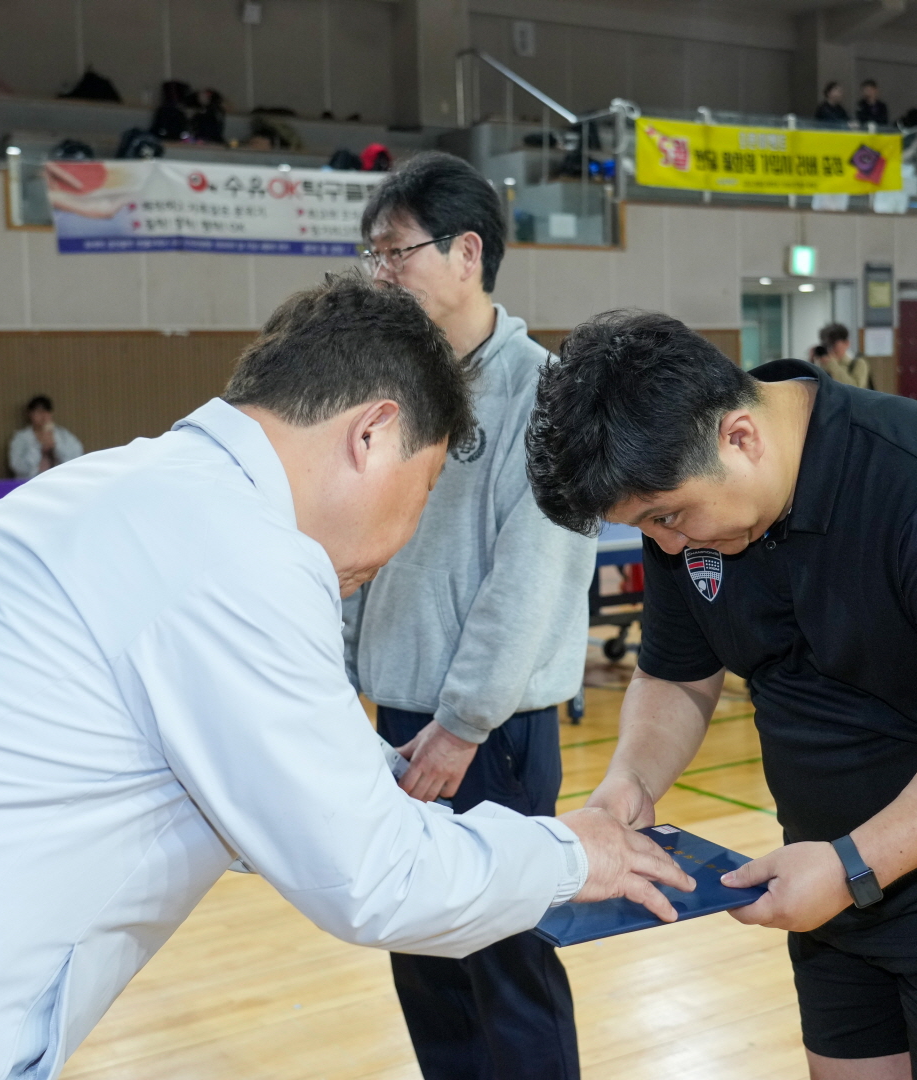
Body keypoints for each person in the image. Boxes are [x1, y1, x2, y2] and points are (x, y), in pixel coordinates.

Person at [0, 274, 691, 1075]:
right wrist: (574, 856)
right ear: (372, 434)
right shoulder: (237, 554)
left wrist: (381, 787)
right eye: (424, 489)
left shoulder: (137, 489)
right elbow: (373, 879)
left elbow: (237, 774)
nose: (407, 535)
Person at [525, 311, 917, 1080]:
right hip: (830, 884)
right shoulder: (691, 514)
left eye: (666, 517)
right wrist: (627, 784)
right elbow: (675, 675)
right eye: (643, 527)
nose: (665, 544)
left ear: (740, 437)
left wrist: (854, 864)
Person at [350, 151, 599, 1080]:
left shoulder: (547, 392)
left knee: (504, 965)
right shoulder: (391, 388)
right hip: (397, 719)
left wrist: (462, 723)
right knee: (423, 958)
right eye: (373, 256)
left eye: (396, 252)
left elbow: (531, 579)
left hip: (488, 733)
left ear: (466, 252)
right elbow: (354, 550)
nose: (381, 274)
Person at [9, 394, 84, 479]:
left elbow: (76, 459)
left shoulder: (63, 435)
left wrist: (56, 446)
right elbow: (17, 467)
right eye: (39, 412)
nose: (43, 416)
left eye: (46, 411)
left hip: (61, 480)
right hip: (31, 481)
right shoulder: (21, 438)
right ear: (30, 414)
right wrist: (38, 446)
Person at [818, 322, 870, 389]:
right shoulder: (823, 365)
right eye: (826, 345)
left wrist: (832, 365)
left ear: (846, 343)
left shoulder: (857, 364)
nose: (829, 349)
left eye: (833, 345)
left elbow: (855, 388)